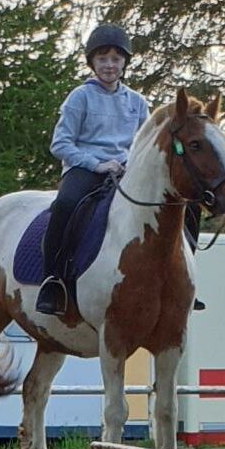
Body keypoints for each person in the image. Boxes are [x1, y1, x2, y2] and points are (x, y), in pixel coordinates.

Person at [36, 23, 204, 316]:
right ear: (93, 63)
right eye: (102, 58)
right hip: (86, 168)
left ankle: (185, 276)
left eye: (115, 59)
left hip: (127, 172)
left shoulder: (137, 102)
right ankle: (54, 278)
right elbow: (60, 143)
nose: (109, 65)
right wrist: (96, 163)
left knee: (186, 203)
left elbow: (145, 145)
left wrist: (131, 165)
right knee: (64, 205)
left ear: (124, 63)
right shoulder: (80, 97)